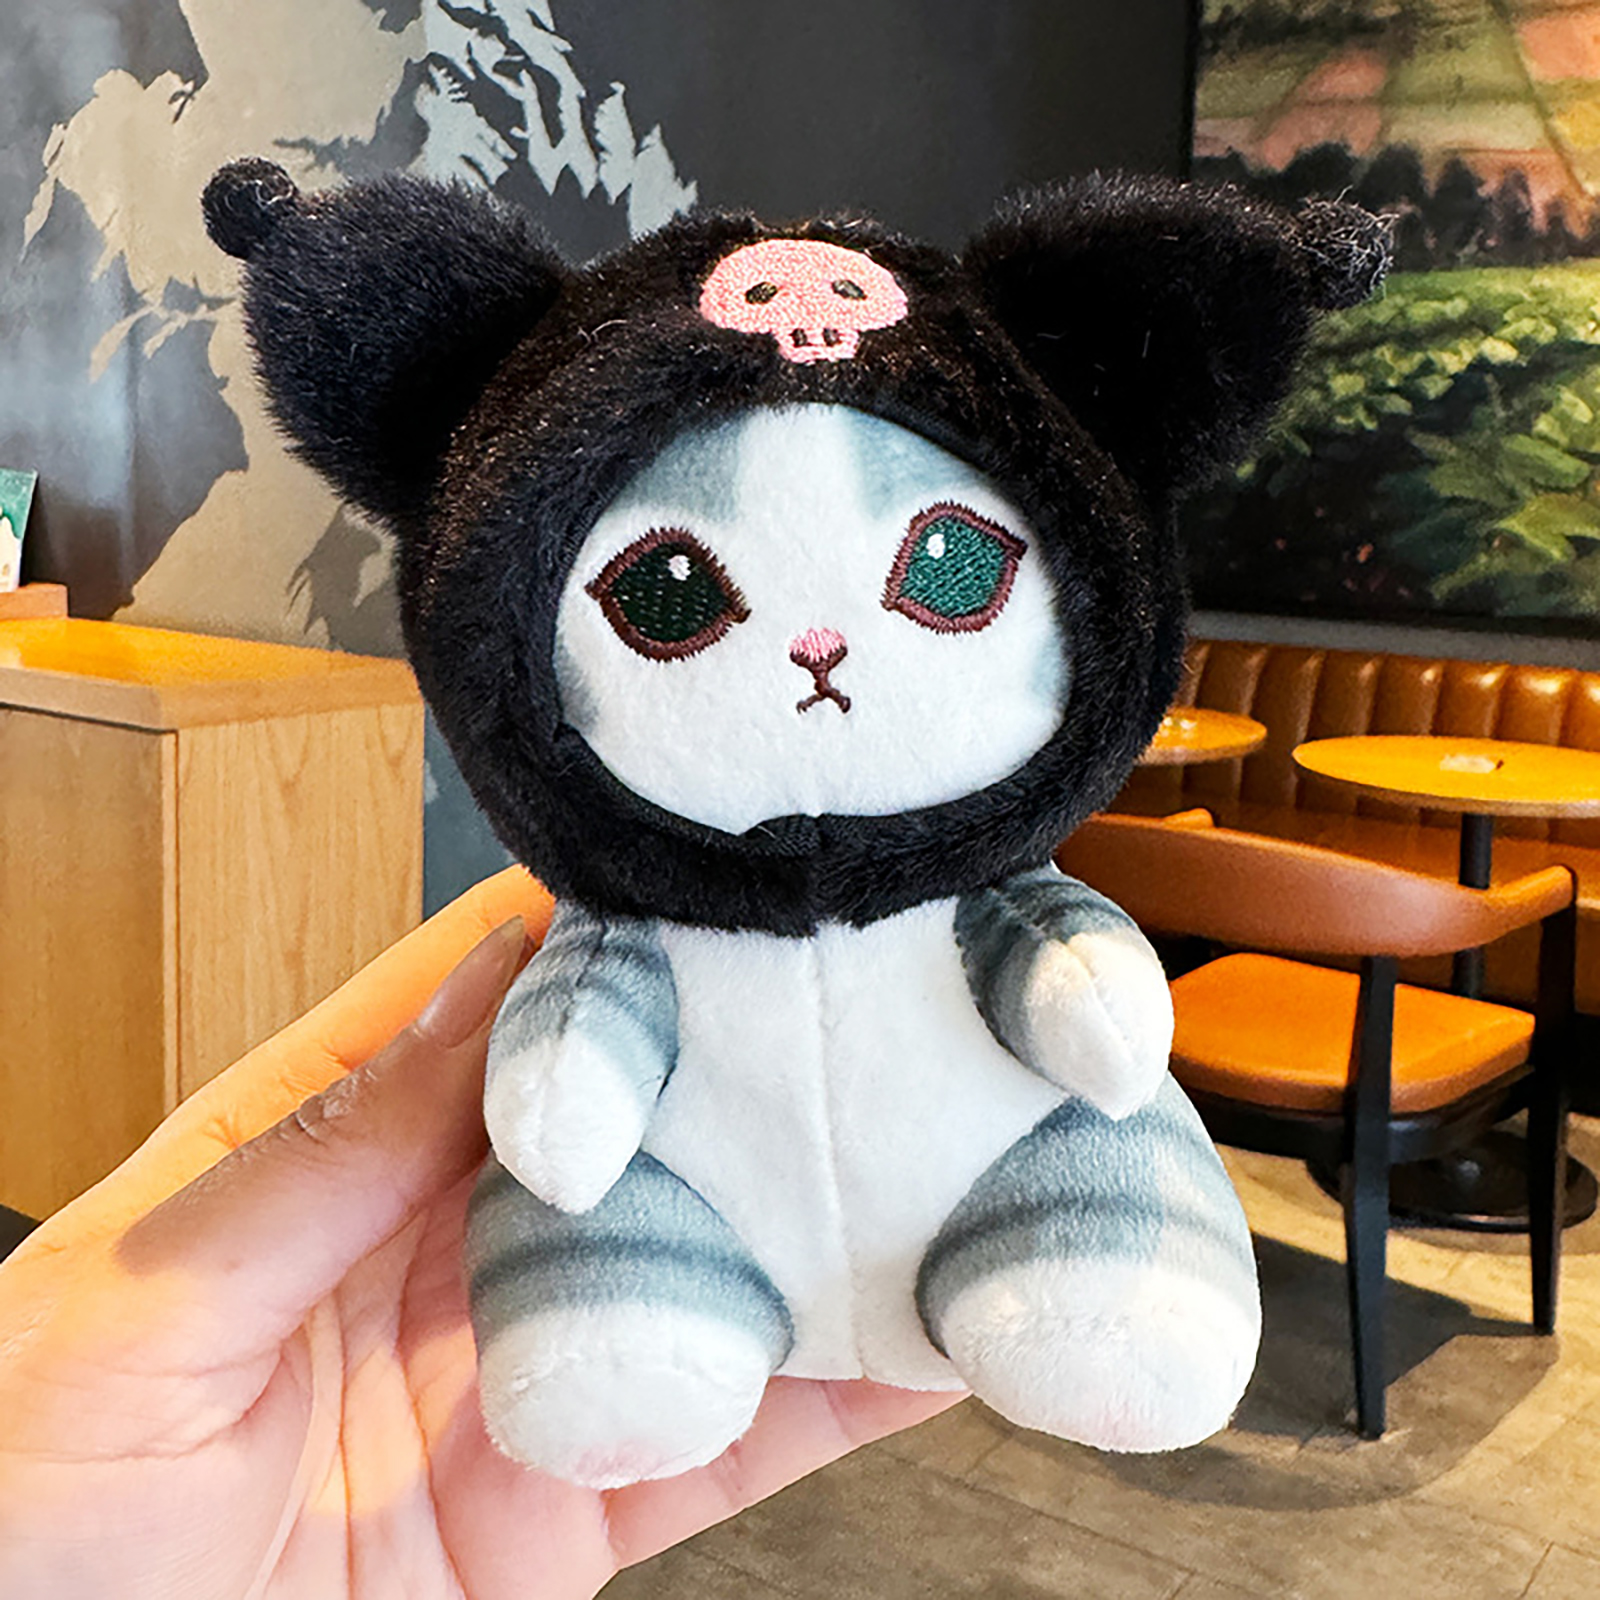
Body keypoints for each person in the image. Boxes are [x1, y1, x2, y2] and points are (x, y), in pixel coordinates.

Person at [0, 867, 959, 1598]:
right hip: (653, 1208)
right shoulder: (616, 918)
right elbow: (576, 1056)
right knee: (586, 1193)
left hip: (897, 1159)